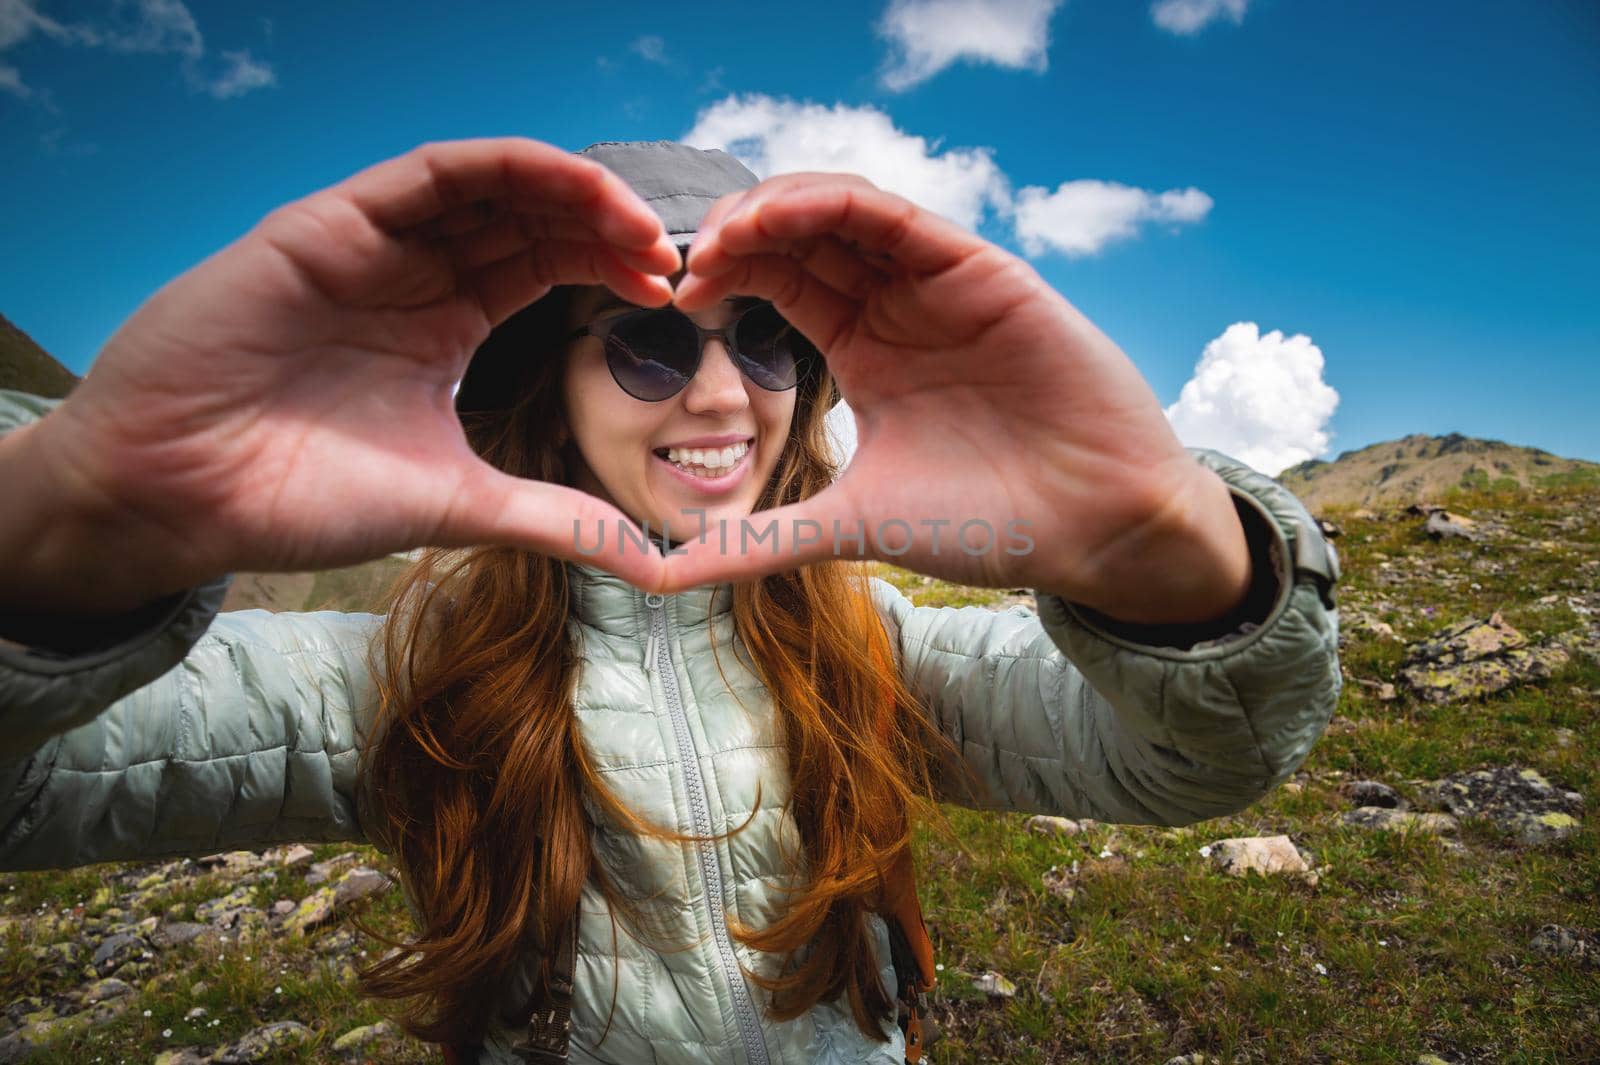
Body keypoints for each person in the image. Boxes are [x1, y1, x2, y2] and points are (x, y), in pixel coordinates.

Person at [0, 137, 1342, 1064]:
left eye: (765, 334)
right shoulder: (396, 673)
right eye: (648, 342)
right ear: (552, 385)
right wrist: (63, 535)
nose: (720, 394)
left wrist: (1170, 550)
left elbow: (1188, 760)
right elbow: (36, 791)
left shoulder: (873, 646)